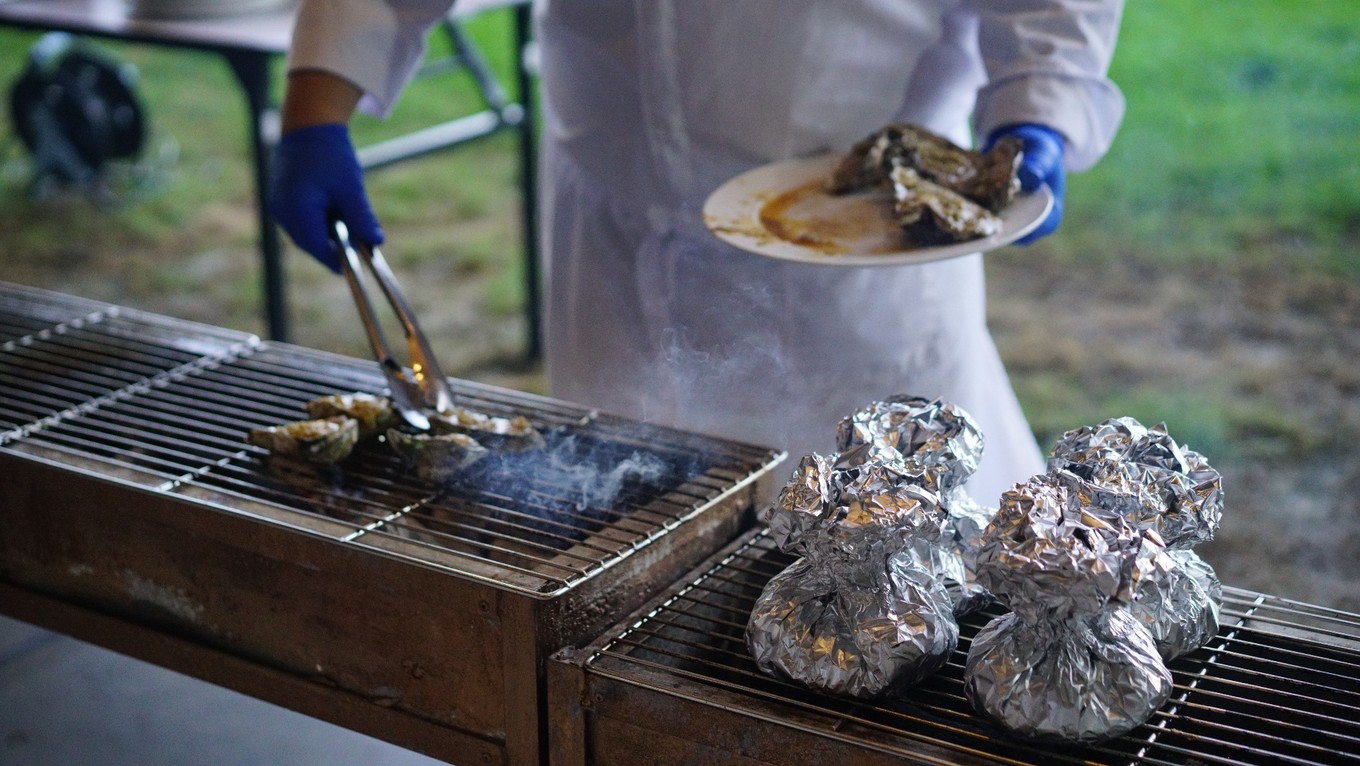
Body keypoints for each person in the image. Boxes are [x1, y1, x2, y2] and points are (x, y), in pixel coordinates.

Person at [269, 0, 1126, 505]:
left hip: (858, 244)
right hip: (615, 229)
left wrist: (1038, 112)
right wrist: (315, 111)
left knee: (899, 589)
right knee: (626, 585)